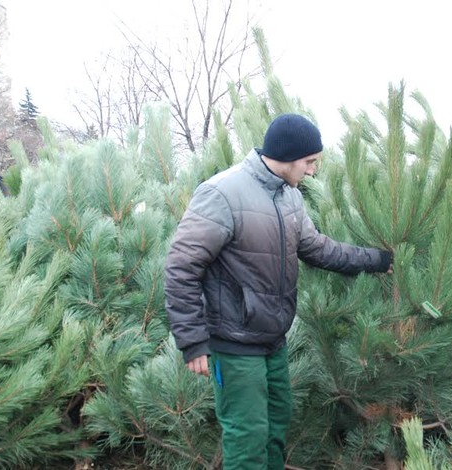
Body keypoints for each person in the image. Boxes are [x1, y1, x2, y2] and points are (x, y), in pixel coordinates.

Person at [164, 113, 392, 469]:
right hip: (234, 342)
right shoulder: (221, 193)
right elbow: (181, 268)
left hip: (273, 341)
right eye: (310, 162)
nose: (314, 171)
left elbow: (318, 249)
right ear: (288, 156)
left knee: (274, 430)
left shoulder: (290, 198)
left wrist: (377, 260)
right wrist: (192, 341)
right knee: (247, 438)